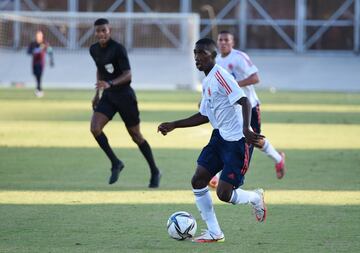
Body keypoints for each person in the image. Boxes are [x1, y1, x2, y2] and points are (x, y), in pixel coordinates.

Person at [158, 38, 266, 243]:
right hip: (219, 137)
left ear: (213, 56)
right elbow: (204, 115)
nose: (197, 58)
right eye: (195, 53)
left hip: (237, 141)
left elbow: (244, 100)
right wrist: (174, 125)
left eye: (202, 53)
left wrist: (246, 128)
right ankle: (215, 232)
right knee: (198, 180)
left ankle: (255, 197)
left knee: (224, 194)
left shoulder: (220, 76)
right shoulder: (207, 81)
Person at [209, 31, 286, 188]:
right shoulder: (215, 60)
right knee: (224, 137)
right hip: (230, 109)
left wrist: (234, 84)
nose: (223, 43)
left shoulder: (239, 57)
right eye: (220, 40)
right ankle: (216, 176)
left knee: (253, 140)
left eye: (226, 40)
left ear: (233, 42)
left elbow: (255, 78)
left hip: (249, 105)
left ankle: (278, 158)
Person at [89, 18, 161, 188]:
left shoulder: (118, 49)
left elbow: (128, 75)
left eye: (104, 30)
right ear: (95, 32)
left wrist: (111, 83)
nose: (101, 34)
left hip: (125, 96)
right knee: (95, 128)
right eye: (98, 31)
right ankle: (115, 163)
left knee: (136, 136)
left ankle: (155, 170)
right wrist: (97, 93)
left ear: (109, 30)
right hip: (108, 96)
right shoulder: (93, 49)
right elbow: (100, 69)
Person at [27, 30, 54, 98]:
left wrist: (51, 60)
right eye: (38, 35)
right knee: (35, 75)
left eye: (40, 35)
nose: (39, 36)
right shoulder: (33, 43)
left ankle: (39, 90)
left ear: (42, 36)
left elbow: (50, 51)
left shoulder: (45, 43)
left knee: (39, 75)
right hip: (34, 62)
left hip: (41, 62)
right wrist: (34, 51)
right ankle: (38, 89)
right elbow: (28, 51)